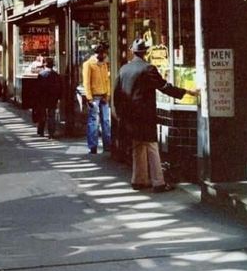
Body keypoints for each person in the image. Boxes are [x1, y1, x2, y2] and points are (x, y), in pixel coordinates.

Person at [113, 38, 198, 193]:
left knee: (137, 147)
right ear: (146, 52)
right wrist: (186, 92)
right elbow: (163, 86)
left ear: (133, 51)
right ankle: (158, 182)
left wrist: (120, 115)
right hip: (145, 117)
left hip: (130, 117)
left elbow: (116, 94)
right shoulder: (148, 68)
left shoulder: (124, 69)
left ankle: (138, 180)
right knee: (152, 147)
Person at [82, 44, 111, 154]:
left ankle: (107, 145)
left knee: (106, 121)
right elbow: (86, 82)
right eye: (104, 54)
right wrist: (89, 97)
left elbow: (107, 80)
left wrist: (107, 94)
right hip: (94, 96)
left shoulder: (104, 64)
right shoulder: (88, 64)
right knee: (94, 121)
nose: (105, 56)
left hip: (103, 95)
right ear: (99, 54)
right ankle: (93, 146)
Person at [36, 58, 62, 138]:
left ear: (45, 65)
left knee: (42, 114)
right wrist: (58, 97)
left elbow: (38, 88)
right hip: (52, 98)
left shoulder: (41, 74)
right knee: (51, 115)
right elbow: (59, 87)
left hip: (43, 98)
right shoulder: (56, 75)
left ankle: (41, 131)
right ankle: (51, 133)